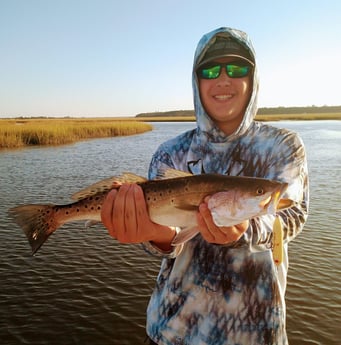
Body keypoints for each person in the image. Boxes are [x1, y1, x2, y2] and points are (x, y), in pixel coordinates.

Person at [101, 27, 309, 345]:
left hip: (252, 334)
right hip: (171, 331)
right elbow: (168, 243)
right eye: (210, 70)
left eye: (237, 68)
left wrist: (244, 231)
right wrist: (149, 234)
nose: (223, 79)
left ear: (253, 79)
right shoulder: (170, 152)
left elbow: (291, 216)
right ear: (196, 81)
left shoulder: (283, 146)